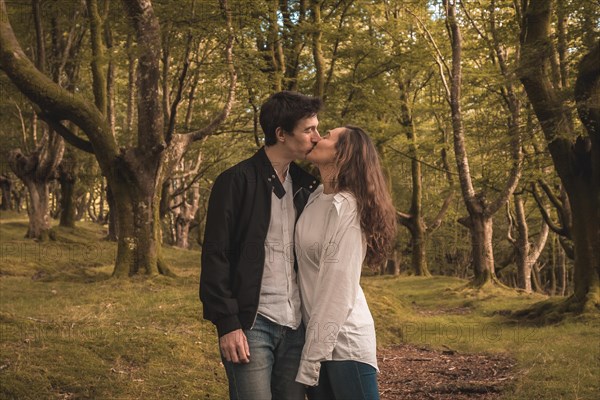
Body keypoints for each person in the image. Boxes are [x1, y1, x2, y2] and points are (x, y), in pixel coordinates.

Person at [200, 91, 322, 400]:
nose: (317, 137)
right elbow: (216, 256)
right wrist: (227, 324)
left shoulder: (308, 188)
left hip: (297, 327)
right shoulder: (235, 181)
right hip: (252, 325)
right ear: (281, 134)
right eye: (309, 130)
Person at [294, 126, 397, 400]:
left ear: (343, 154)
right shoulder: (314, 198)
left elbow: (337, 286)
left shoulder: (347, 207)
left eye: (326, 135)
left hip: (345, 344)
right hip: (315, 343)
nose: (316, 137)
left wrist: (311, 357)